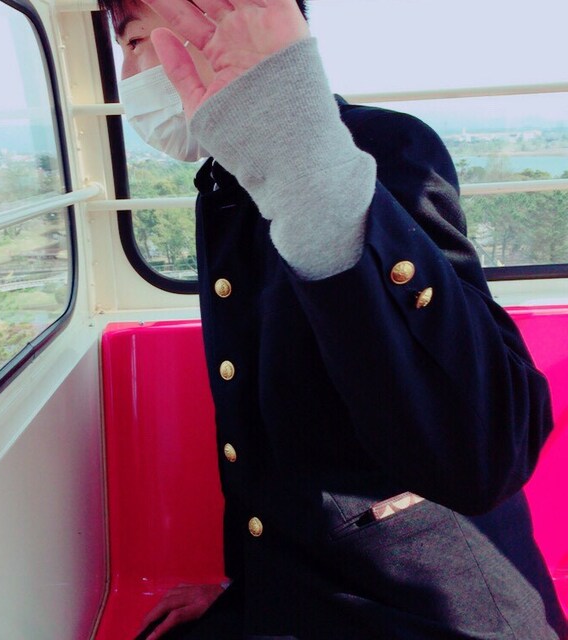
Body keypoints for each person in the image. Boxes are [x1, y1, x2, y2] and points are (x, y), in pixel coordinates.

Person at [98, 1, 568, 638]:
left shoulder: (379, 148)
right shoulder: (223, 184)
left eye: (133, 42)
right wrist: (249, 591)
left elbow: (486, 450)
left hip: (430, 601)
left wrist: (308, 166)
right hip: (307, 589)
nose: (128, 75)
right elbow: (283, 444)